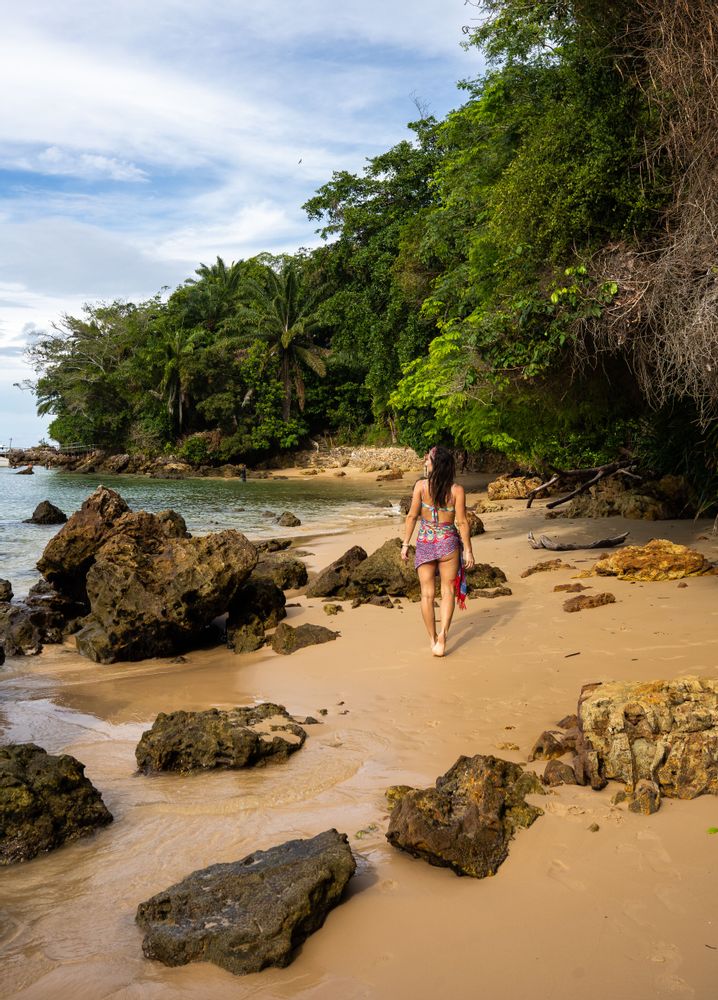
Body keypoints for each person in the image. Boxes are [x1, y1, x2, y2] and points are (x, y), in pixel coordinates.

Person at [400, 446, 475, 657]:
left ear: (435, 465)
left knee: (427, 594)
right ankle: (443, 635)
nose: (425, 463)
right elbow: (462, 522)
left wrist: (405, 544)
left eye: (428, 461)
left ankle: (432, 639)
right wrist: (468, 550)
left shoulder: (421, 487)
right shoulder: (456, 490)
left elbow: (411, 517)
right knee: (448, 591)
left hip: (425, 542)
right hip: (448, 543)